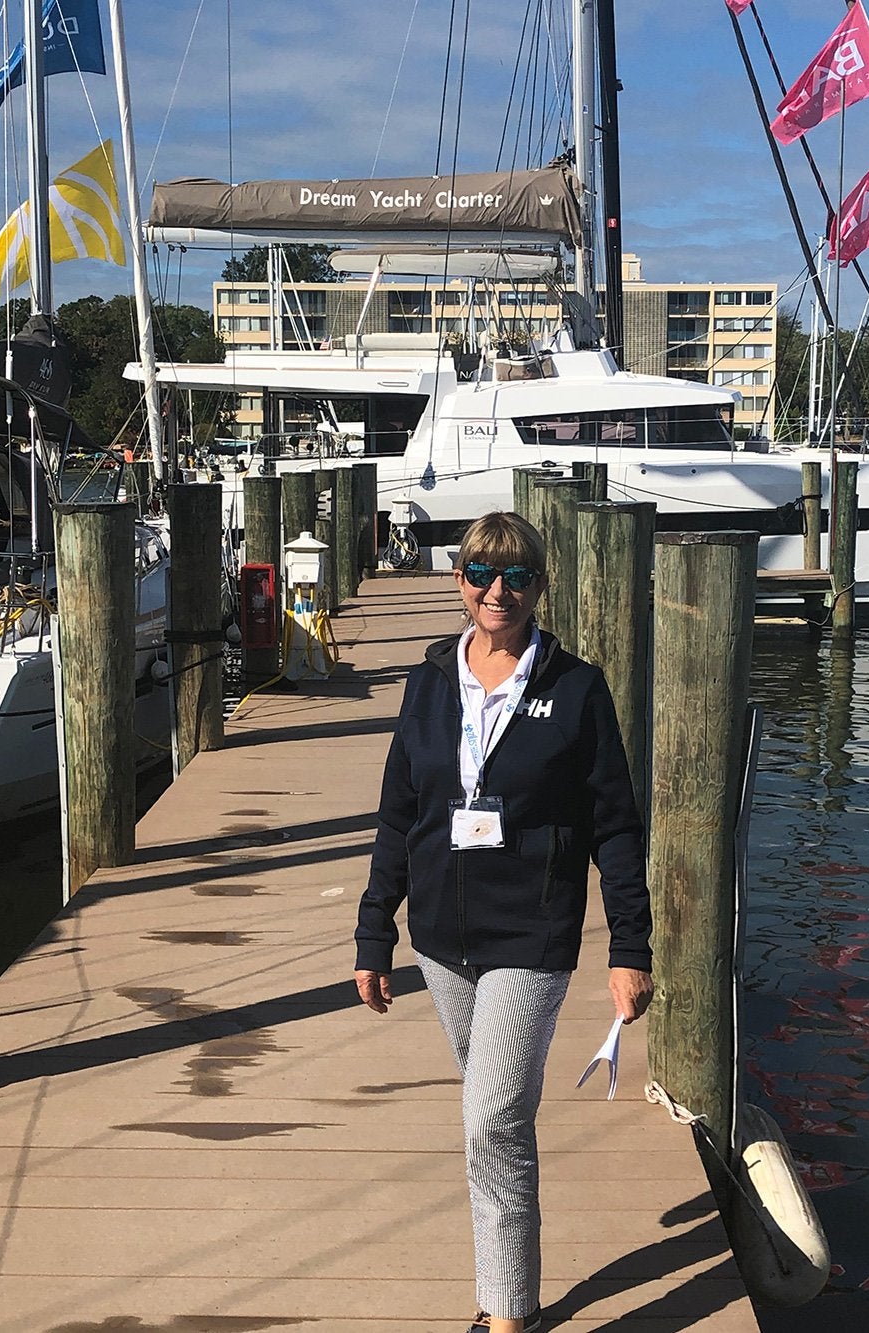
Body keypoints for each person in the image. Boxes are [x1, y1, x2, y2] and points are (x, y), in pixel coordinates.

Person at [354, 511, 653, 1333]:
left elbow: (617, 825)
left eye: (516, 576)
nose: (497, 591)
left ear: (538, 586)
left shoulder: (576, 688)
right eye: (481, 573)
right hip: (443, 940)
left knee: (491, 1116)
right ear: (458, 580)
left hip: (532, 933)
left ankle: (509, 1314)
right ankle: (504, 1286)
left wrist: (629, 945)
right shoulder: (427, 682)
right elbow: (396, 813)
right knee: (496, 1116)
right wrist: (374, 930)